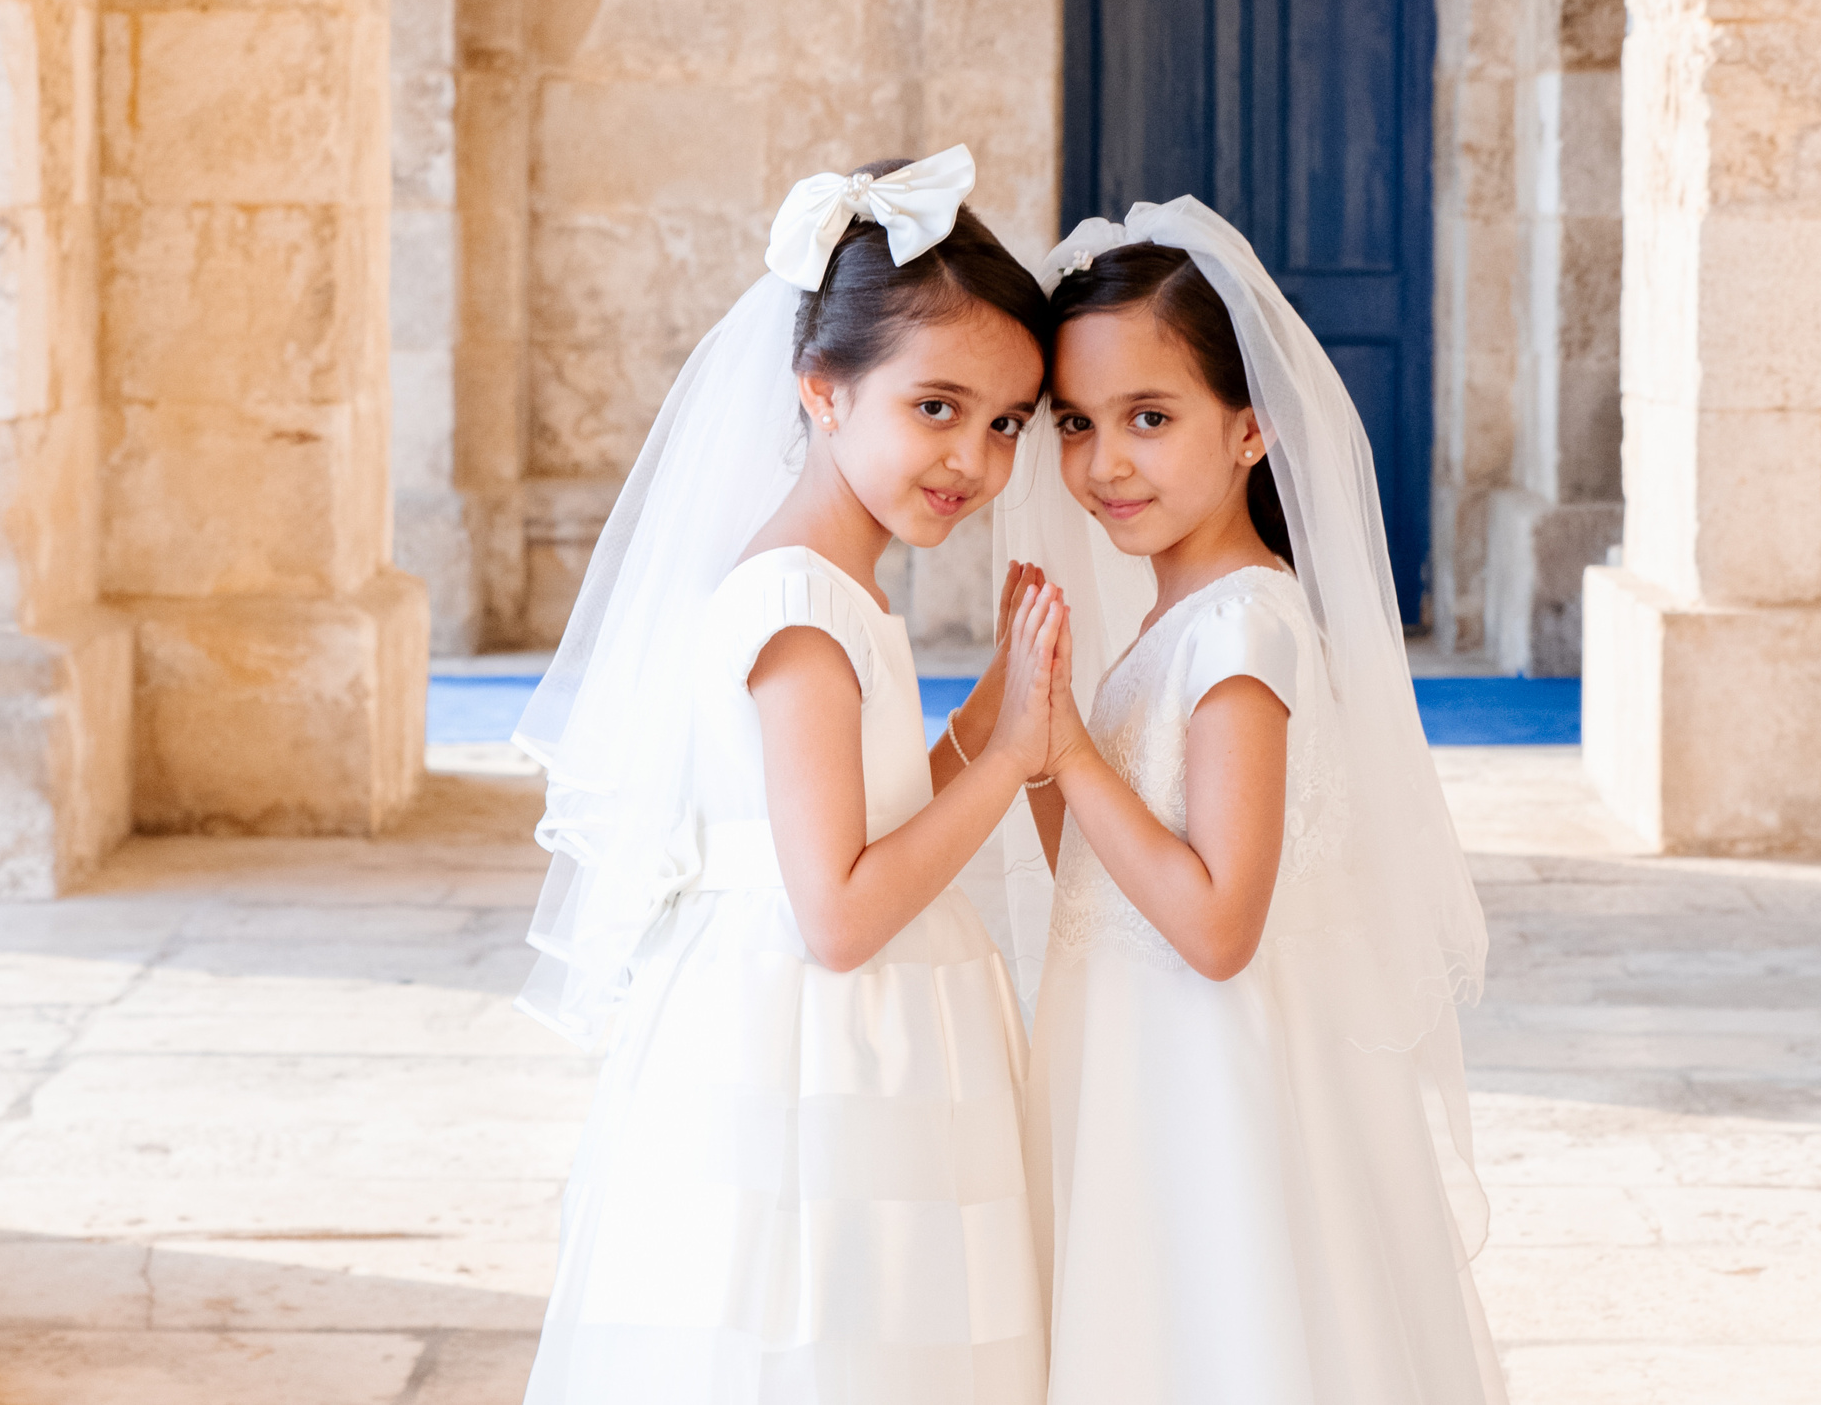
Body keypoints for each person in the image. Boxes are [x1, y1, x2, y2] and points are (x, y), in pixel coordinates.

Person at [511, 147, 1063, 1404]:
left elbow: (863, 819)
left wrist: (985, 717)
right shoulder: (802, 609)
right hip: (813, 1041)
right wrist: (1018, 758)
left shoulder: (835, 585)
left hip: (842, 1022)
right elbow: (844, 912)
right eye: (936, 407)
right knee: (818, 1327)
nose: (971, 461)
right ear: (823, 393)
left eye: (1006, 425)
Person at [981, 196, 1506, 1403]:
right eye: (1075, 423)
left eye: (1150, 419)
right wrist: (1035, 734)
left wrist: (1068, 744)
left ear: (1251, 432)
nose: (1104, 463)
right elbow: (1096, 865)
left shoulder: (1243, 636)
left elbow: (1217, 927)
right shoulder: (1171, 621)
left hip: (1201, 1081)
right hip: (1120, 1050)